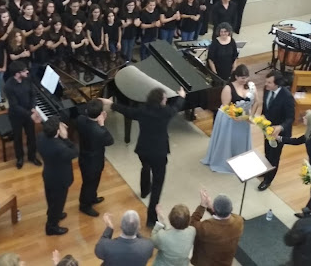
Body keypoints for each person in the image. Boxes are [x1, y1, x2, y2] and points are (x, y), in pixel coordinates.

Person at [100, 87, 186, 227]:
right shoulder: (165, 112)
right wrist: (181, 96)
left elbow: (126, 110)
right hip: (159, 152)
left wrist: (109, 103)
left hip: (143, 149)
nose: (166, 100)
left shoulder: (142, 110)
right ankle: (151, 219)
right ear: (161, 100)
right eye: (164, 98)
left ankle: (144, 190)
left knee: (145, 167)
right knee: (157, 185)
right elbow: (176, 107)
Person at [202, 65, 259, 173]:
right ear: (236, 77)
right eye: (242, 78)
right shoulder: (228, 88)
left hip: (244, 118)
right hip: (229, 119)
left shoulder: (251, 86)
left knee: (240, 140)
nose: (245, 80)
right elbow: (226, 106)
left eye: (246, 77)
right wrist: (236, 117)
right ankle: (223, 160)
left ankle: (239, 160)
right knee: (228, 140)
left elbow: (257, 101)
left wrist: (251, 116)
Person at [38, 117, 78, 236]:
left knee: (50, 198)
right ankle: (52, 227)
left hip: (48, 173)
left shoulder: (41, 137)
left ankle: (55, 212)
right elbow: (75, 152)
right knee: (58, 201)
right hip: (60, 178)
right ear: (57, 132)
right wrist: (65, 138)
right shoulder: (60, 148)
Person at [258, 70, 295, 191]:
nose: (266, 84)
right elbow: (266, 106)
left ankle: (268, 180)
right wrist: (262, 116)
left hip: (279, 133)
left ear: (276, 84)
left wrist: (280, 127)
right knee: (267, 152)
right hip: (267, 129)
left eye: (269, 82)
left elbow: (290, 118)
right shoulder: (267, 89)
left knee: (274, 156)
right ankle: (265, 170)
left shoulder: (287, 97)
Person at [77, 99, 114, 217]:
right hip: (94, 161)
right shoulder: (99, 131)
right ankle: (84, 205)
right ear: (100, 114)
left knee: (92, 182)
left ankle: (92, 197)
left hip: (84, 156)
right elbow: (110, 141)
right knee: (89, 183)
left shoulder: (81, 120)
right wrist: (102, 124)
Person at [4, 61, 42, 169]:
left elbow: (33, 94)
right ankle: (19, 158)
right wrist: (30, 114)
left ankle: (32, 156)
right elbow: (15, 106)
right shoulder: (8, 86)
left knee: (31, 136)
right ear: (17, 73)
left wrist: (33, 108)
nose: (27, 72)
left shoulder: (27, 79)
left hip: (29, 112)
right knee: (17, 137)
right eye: (24, 71)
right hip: (16, 116)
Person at [190, 191, 243, 266]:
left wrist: (202, 206)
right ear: (231, 209)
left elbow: (191, 225)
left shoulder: (206, 228)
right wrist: (210, 207)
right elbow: (224, 217)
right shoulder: (239, 221)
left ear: (214, 209)